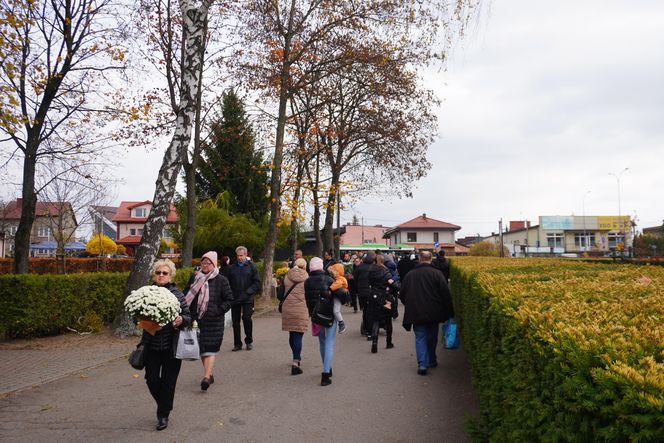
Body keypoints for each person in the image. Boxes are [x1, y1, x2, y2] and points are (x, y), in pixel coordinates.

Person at [142, 259, 191, 431]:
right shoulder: (146, 293)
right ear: (154, 275)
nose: (161, 276)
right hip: (151, 345)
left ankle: (163, 415)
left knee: (169, 382)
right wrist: (146, 322)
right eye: (158, 273)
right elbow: (136, 316)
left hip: (172, 346)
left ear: (170, 276)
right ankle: (165, 404)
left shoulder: (177, 294)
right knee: (151, 379)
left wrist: (181, 319)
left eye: (165, 273)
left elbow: (188, 316)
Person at [184, 251, 233, 391]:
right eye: (203, 262)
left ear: (214, 264)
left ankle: (205, 378)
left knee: (210, 349)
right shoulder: (195, 277)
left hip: (214, 321)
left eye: (208, 263)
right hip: (196, 319)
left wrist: (217, 311)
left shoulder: (221, 280)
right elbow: (186, 294)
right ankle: (209, 374)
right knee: (202, 349)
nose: (205, 265)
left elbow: (229, 299)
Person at [400, 251, 454, 375]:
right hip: (434, 312)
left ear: (419, 259)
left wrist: (409, 304)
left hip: (416, 312)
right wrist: (450, 312)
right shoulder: (437, 274)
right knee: (432, 337)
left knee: (420, 337)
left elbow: (402, 294)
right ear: (430, 259)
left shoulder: (410, 275)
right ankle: (431, 359)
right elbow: (446, 295)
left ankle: (422, 365)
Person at [304, 257, 336, 386]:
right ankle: (325, 373)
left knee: (322, 342)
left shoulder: (307, 282)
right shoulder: (329, 279)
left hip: (315, 315)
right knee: (329, 343)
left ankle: (327, 367)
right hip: (328, 315)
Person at [223, 246, 261, 351]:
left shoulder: (252, 267)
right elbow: (227, 283)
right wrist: (229, 295)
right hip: (235, 298)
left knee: (246, 318)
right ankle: (237, 344)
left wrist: (249, 292)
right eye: (238, 255)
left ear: (246, 255)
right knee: (235, 321)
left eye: (242, 255)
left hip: (247, 298)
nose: (239, 257)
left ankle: (249, 341)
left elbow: (257, 282)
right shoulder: (232, 268)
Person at [281, 258, 309, 375]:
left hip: (287, 308)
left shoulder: (287, 277)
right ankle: (295, 361)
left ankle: (295, 355)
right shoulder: (307, 278)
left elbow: (280, 293)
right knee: (298, 335)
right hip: (301, 309)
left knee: (292, 333)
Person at [367, 254, 399, 353]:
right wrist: (395, 286)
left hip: (374, 297)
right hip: (386, 298)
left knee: (376, 319)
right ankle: (388, 342)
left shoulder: (370, 270)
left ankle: (374, 341)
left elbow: (369, 282)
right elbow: (393, 285)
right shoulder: (385, 271)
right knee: (388, 319)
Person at [354, 251, 375, 339]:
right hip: (371, 292)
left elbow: (355, 280)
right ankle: (370, 329)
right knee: (371, 311)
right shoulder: (374, 268)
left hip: (362, 293)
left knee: (365, 310)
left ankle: (366, 328)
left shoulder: (359, 268)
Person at [328, 263, 349, 333]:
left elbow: (337, 285)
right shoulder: (338, 278)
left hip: (338, 296)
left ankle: (341, 323)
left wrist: (330, 289)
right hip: (337, 295)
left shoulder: (340, 278)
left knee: (336, 311)